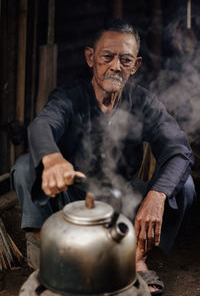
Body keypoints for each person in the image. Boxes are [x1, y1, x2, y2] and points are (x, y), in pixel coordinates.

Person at [12, 19, 196, 295]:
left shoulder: (143, 102)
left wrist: (157, 195)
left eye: (125, 59)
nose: (115, 66)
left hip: (123, 201)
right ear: (91, 58)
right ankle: (54, 255)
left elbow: (179, 149)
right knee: (25, 166)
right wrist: (52, 159)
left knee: (183, 185)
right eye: (107, 56)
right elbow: (41, 126)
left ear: (135, 65)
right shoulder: (68, 97)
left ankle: (135, 257)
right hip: (72, 201)